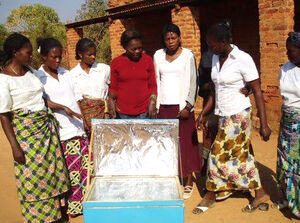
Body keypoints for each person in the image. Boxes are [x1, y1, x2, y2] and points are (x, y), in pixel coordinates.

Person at [193, 22, 271, 214]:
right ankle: (260, 192)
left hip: (239, 115)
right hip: (222, 114)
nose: (210, 49)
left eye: (213, 45)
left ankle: (211, 194)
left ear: (225, 41)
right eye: (208, 45)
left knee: (216, 155)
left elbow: (257, 91)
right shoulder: (214, 58)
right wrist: (204, 113)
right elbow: (214, 90)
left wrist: (264, 124)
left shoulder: (243, 59)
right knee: (241, 156)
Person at [0, 33, 72, 223]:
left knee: (53, 178)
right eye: (27, 53)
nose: (31, 56)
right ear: (15, 53)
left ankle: (57, 216)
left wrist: (63, 107)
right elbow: (4, 116)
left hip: (47, 135)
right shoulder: (4, 79)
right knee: (33, 180)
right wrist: (15, 147)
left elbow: (42, 100)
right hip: (27, 139)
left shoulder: (31, 72)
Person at [37, 37, 90, 217]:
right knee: (71, 172)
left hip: (78, 128)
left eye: (60, 57)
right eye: (54, 57)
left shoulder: (66, 73)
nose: (58, 60)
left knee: (85, 169)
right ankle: (73, 207)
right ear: (44, 56)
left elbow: (77, 98)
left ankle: (85, 205)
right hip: (62, 132)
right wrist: (63, 107)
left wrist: (84, 120)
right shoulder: (39, 78)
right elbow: (44, 101)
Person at [154, 23, 200, 199]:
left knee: (187, 144)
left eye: (174, 37)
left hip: (182, 108)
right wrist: (156, 105)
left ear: (179, 38)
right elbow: (156, 80)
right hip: (164, 107)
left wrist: (188, 106)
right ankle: (173, 177)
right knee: (168, 144)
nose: (171, 41)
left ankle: (188, 180)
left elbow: (193, 81)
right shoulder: (158, 55)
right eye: (167, 38)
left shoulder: (188, 55)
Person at [275, 32, 300, 218]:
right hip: (287, 119)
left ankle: (297, 204)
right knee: (285, 160)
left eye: (292, 51)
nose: (288, 54)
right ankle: (287, 198)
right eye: (287, 50)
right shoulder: (285, 68)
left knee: (296, 163)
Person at [108, 30, 157, 119]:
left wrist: (153, 103)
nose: (137, 51)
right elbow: (113, 88)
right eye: (133, 49)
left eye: (140, 48)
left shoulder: (147, 60)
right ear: (125, 47)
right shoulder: (116, 62)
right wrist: (111, 105)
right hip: (122, 112)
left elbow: (152, 85)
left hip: (144, 112)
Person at [69, 38, 110, 136]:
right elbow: (76, 100)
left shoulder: (104, 69)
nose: (93, 57)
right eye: (90, 54)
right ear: (80, 54)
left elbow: (111, 91)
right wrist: (83, 121)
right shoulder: (72, 75)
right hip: (85, 119)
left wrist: (108, 111)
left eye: (94, 54)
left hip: (104, 117)